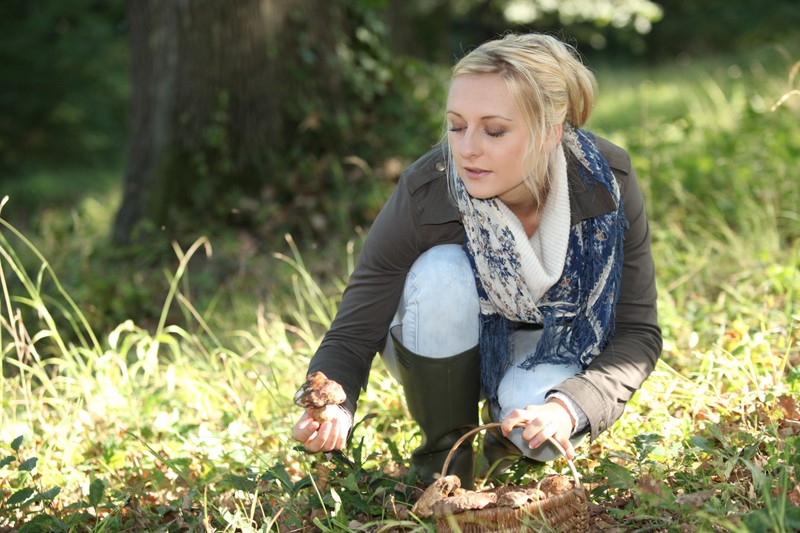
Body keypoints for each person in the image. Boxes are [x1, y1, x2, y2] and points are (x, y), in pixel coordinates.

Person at [291, 32, 661, 489]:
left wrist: (568, 407)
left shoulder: (605, 182)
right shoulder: (428, 191)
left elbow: (637, 332)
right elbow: (354, 328)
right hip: (437, 341)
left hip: (552, 344)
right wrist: (334, 404)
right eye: (456, 125)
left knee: (538, 433)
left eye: (495, 130)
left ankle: (501, 447)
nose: (467, 149)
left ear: (550, 132)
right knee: (442, 271)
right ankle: (443, 463)